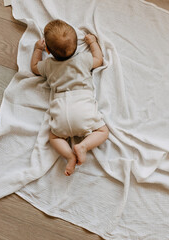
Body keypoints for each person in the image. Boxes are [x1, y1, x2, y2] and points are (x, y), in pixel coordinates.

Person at [30, 19, 109, 176]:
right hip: (83, 107)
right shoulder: (83, 59)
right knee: (102, 131)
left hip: (60, 109)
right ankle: (83, 146)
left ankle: (68, 156)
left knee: (54, 137)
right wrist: (93, 42)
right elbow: (98, 60)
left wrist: (37, 50)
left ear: (48, 50)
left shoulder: (48, 65)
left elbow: (34, 68)